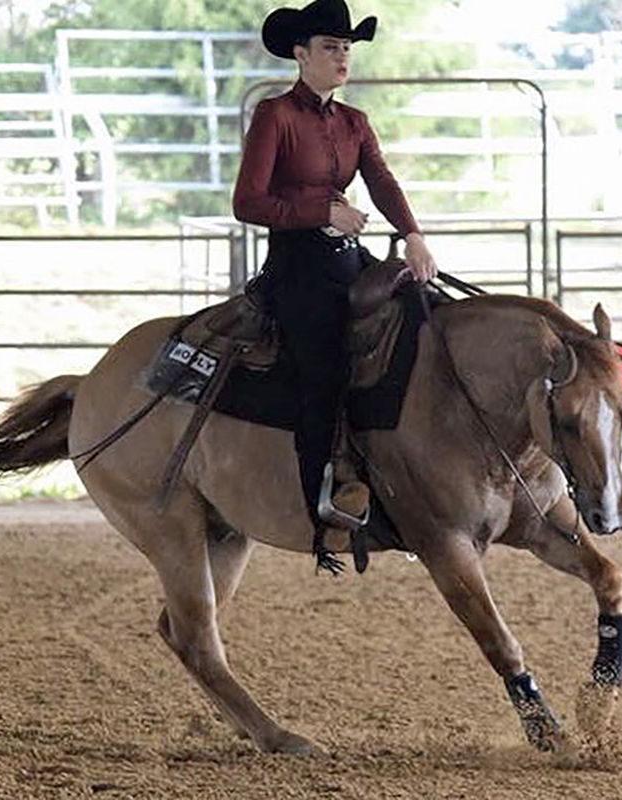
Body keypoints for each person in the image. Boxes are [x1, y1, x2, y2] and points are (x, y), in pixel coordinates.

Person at [232, 0, 437, 572]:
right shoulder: (275, 115)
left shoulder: (355, 122)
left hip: (347, 258)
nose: (342, 57)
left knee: (422, 316)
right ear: (301, 55)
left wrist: (413, 235)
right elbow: (247, 201)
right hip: (296, 266)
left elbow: (382, 181)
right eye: (330, 47)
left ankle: (417, 474)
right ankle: (321, 506)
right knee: (323, 370)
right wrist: (321, 211)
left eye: (346, 48)